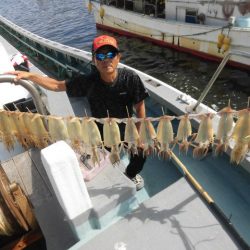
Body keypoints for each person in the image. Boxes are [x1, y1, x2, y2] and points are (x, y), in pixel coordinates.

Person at [8, 35, 149, 191]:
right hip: (101, 132)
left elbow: (140, 105)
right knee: (104, 161)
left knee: (141, 155)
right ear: (94, 60)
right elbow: (57, 86)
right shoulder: (88, 82)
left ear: (118, 57)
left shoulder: (131, 79)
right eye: (101, 55)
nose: (106, 59)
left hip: (126, 128)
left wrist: (139, 135)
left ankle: (130, 174)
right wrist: (30, 76)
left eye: (110, 54)